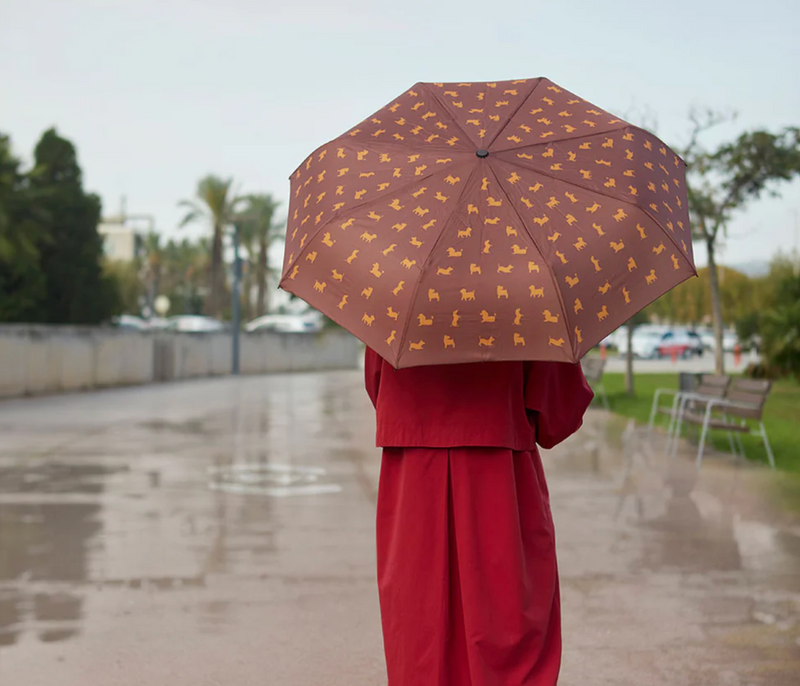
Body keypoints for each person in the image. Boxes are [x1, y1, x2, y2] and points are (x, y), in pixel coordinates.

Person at [365, 348, 593, 686]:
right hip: (498, 480)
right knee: (506, 622)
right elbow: (558, 416)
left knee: (420, 633)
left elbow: (377, 385)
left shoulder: (393, 299)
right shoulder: (524, 301)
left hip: (414, 481)